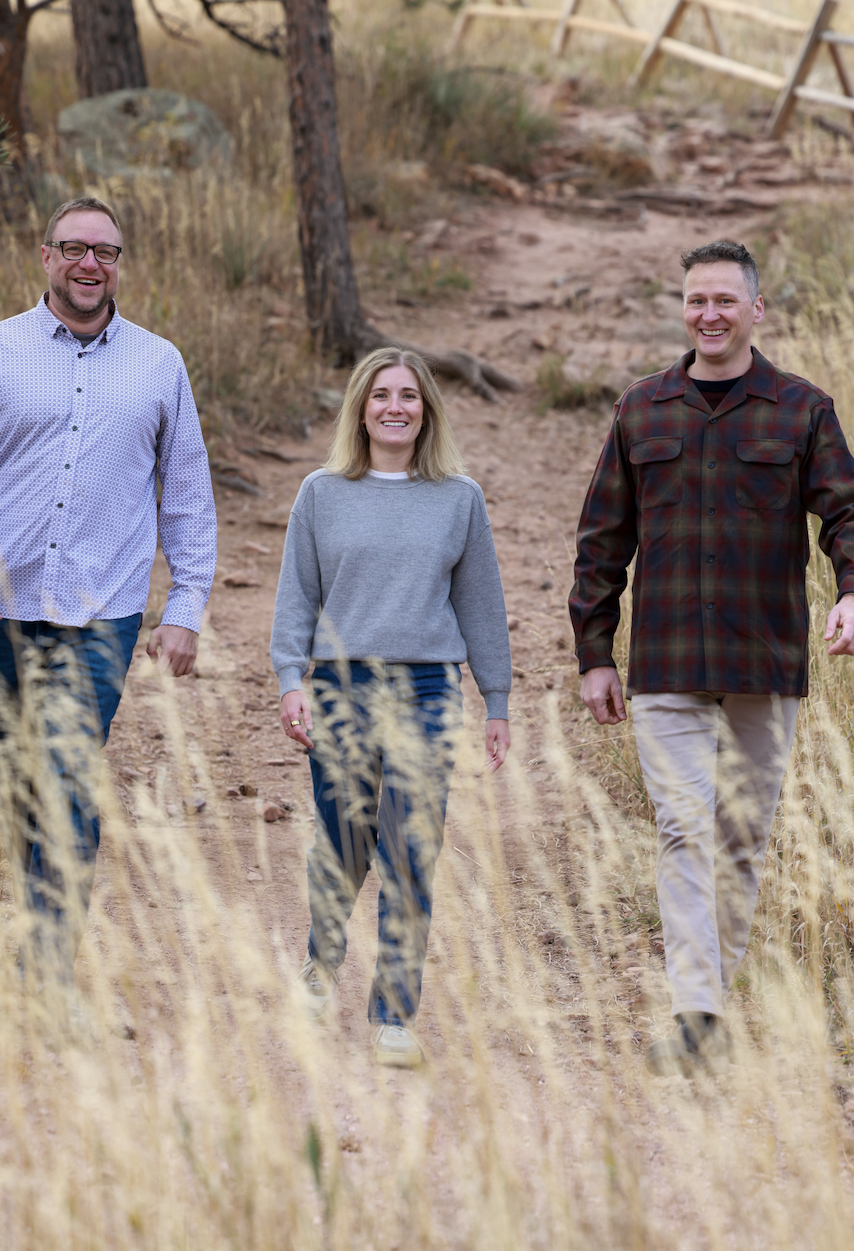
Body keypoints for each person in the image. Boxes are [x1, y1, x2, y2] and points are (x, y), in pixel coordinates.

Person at [0, 196, 216, 1006]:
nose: (91, 265)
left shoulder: (159, 365)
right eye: (76, 248)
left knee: (71, 781)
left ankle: (47, 978)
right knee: (17, 782)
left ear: (120, 263)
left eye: (107, 252)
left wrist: (185, 603)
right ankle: (33, 932)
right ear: (43, 255)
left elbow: (186, 493)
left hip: (101, 613)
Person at [570, 238, 854, 1077]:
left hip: (765, 665)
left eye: (727, 300)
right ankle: (695, 1015)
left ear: (756, 310)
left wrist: (849, 589)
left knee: (740, 838)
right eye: (698, 300)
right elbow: (601, 541)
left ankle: (711, 1001)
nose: (711, 314)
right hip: (664, 663)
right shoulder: (641, 412)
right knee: (684, 829)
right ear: (683, 308)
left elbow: (846, 514)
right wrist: (595, 652)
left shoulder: (802, 411)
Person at [270, 346, 512, 1068]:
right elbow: (296, 596)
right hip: (341, 685)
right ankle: (321, 960)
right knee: (344, 839)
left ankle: (394, 1015)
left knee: (411, 848)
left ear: (427, 409)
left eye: (409, 395)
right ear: (361, 408)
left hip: (430, 688)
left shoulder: (458, 497)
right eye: (381, 396)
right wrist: (290, 679)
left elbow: (481, 605)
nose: (395, 407)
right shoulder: (321, 492)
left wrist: (495, 698)